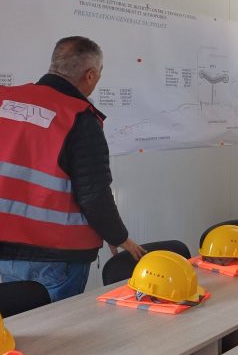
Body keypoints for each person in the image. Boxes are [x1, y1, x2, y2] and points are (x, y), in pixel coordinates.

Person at [0, 36, 146, 302]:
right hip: (56, 256)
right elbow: (94, 194)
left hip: (5, 251)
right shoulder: (78, 118)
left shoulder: (5, 100)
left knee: (17, 320)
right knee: (59, 327)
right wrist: (119, 237)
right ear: (90, 75)